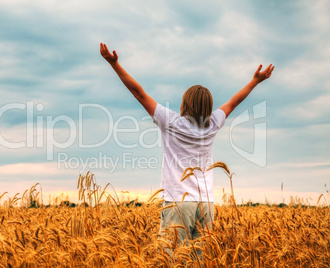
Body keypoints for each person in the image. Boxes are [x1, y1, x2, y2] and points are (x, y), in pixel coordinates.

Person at [100, 43, 274, 260]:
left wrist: (114, 64)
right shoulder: (213, 124)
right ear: (209, 107)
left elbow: (138, 93)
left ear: (184, 104)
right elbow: (234, 102)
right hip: (206, 204)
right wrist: (255, 81)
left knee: (171, 261)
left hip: (178, 204)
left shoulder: (171, 122)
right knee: (200, 262)